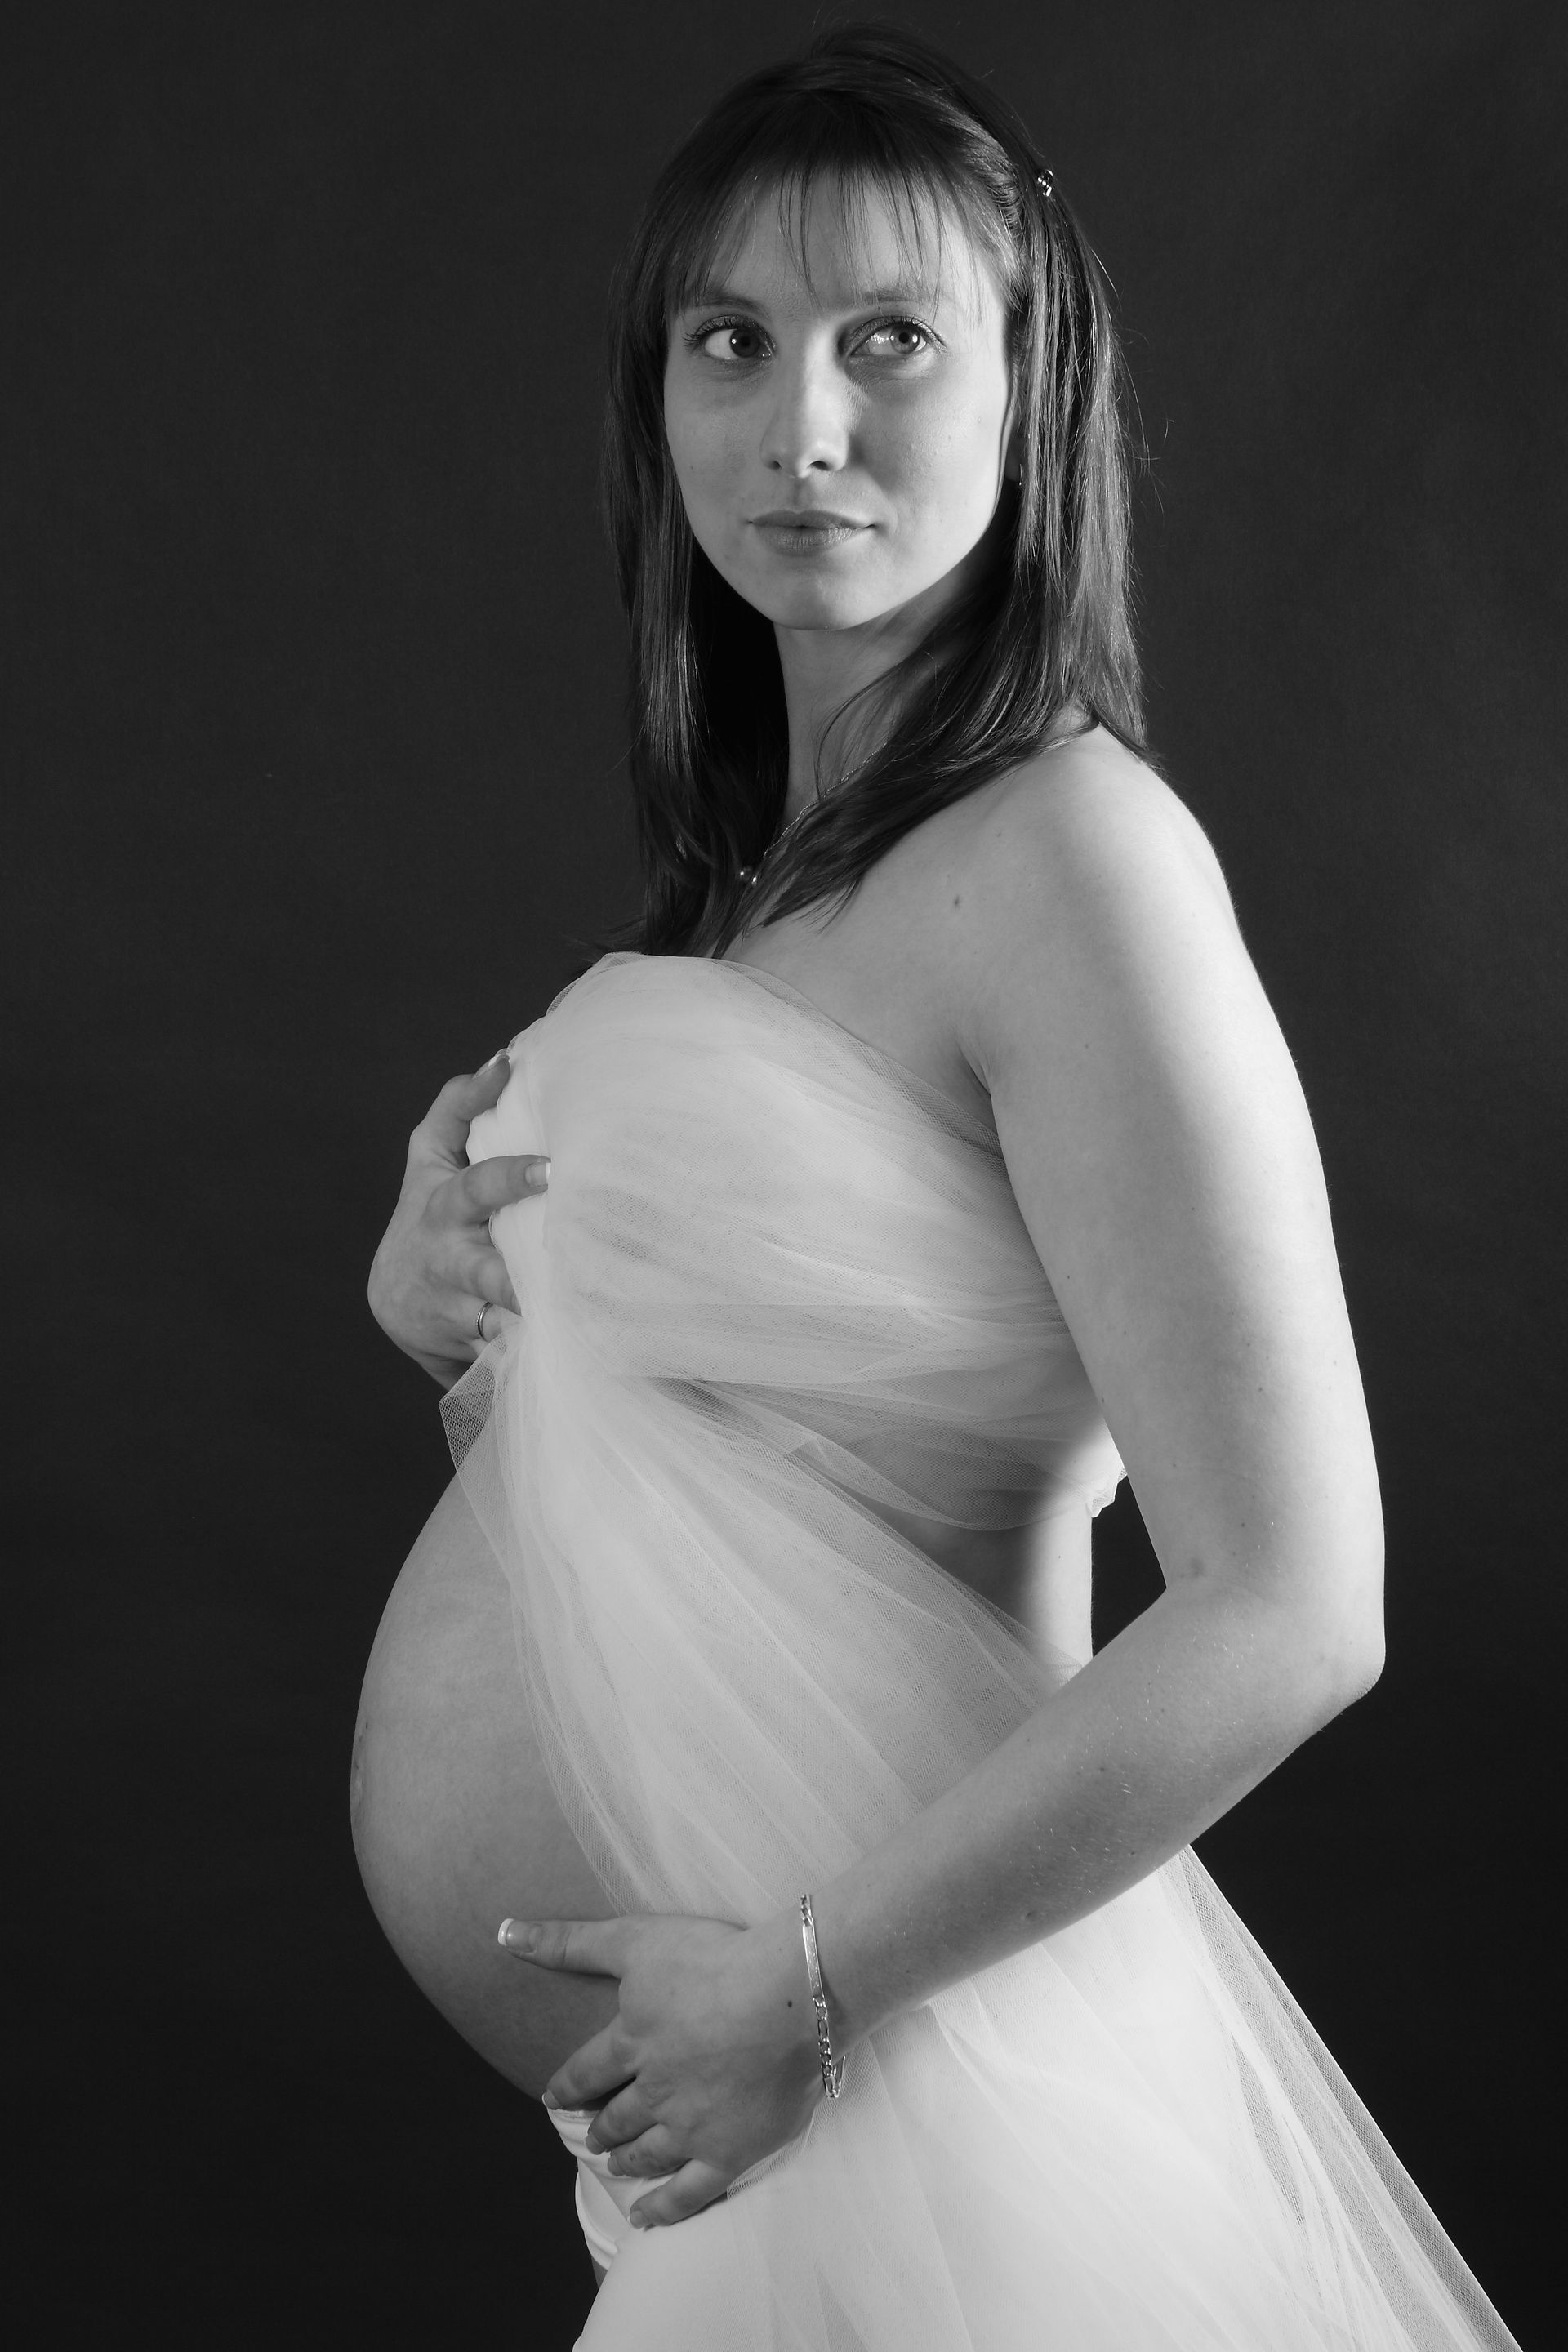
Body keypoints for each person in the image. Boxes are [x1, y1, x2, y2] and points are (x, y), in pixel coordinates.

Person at [353, 24, 1517, 2350]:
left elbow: (1299, 1603)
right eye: (732, 344)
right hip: (773, 2133)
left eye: (890, 340)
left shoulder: (1075, 862)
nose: (802, 429)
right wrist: (463, 1318)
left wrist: (808, 1983)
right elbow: (745, 1525)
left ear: (1028, 381)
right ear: (658, 397)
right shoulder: (769, 892)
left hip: (903, 2061)